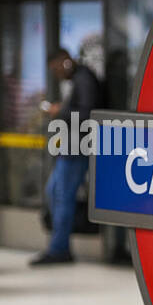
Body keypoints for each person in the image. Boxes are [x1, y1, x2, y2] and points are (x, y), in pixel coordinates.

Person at [32, 48, 104, 265]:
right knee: (55, 192)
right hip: (73, 145)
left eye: (56, 69)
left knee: (61, 195)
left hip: (78, 146)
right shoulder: (81, 78)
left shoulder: (83, 79)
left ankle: (59, 248)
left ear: (64, 61)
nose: (56, 74)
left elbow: (87, 113)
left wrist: (59, 111)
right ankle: (59, 245)